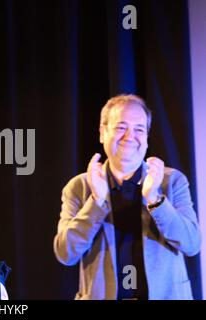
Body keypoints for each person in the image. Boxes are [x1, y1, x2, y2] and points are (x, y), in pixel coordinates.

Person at [53, 94, 201, 300]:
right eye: (121, 127)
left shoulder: (172, 181)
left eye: (139, 129)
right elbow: (65, 253)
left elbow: (191, 244)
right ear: (102, 133)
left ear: (147, 138)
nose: (130, 136)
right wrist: (96, 201)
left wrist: (155, 199)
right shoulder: (79, 187)